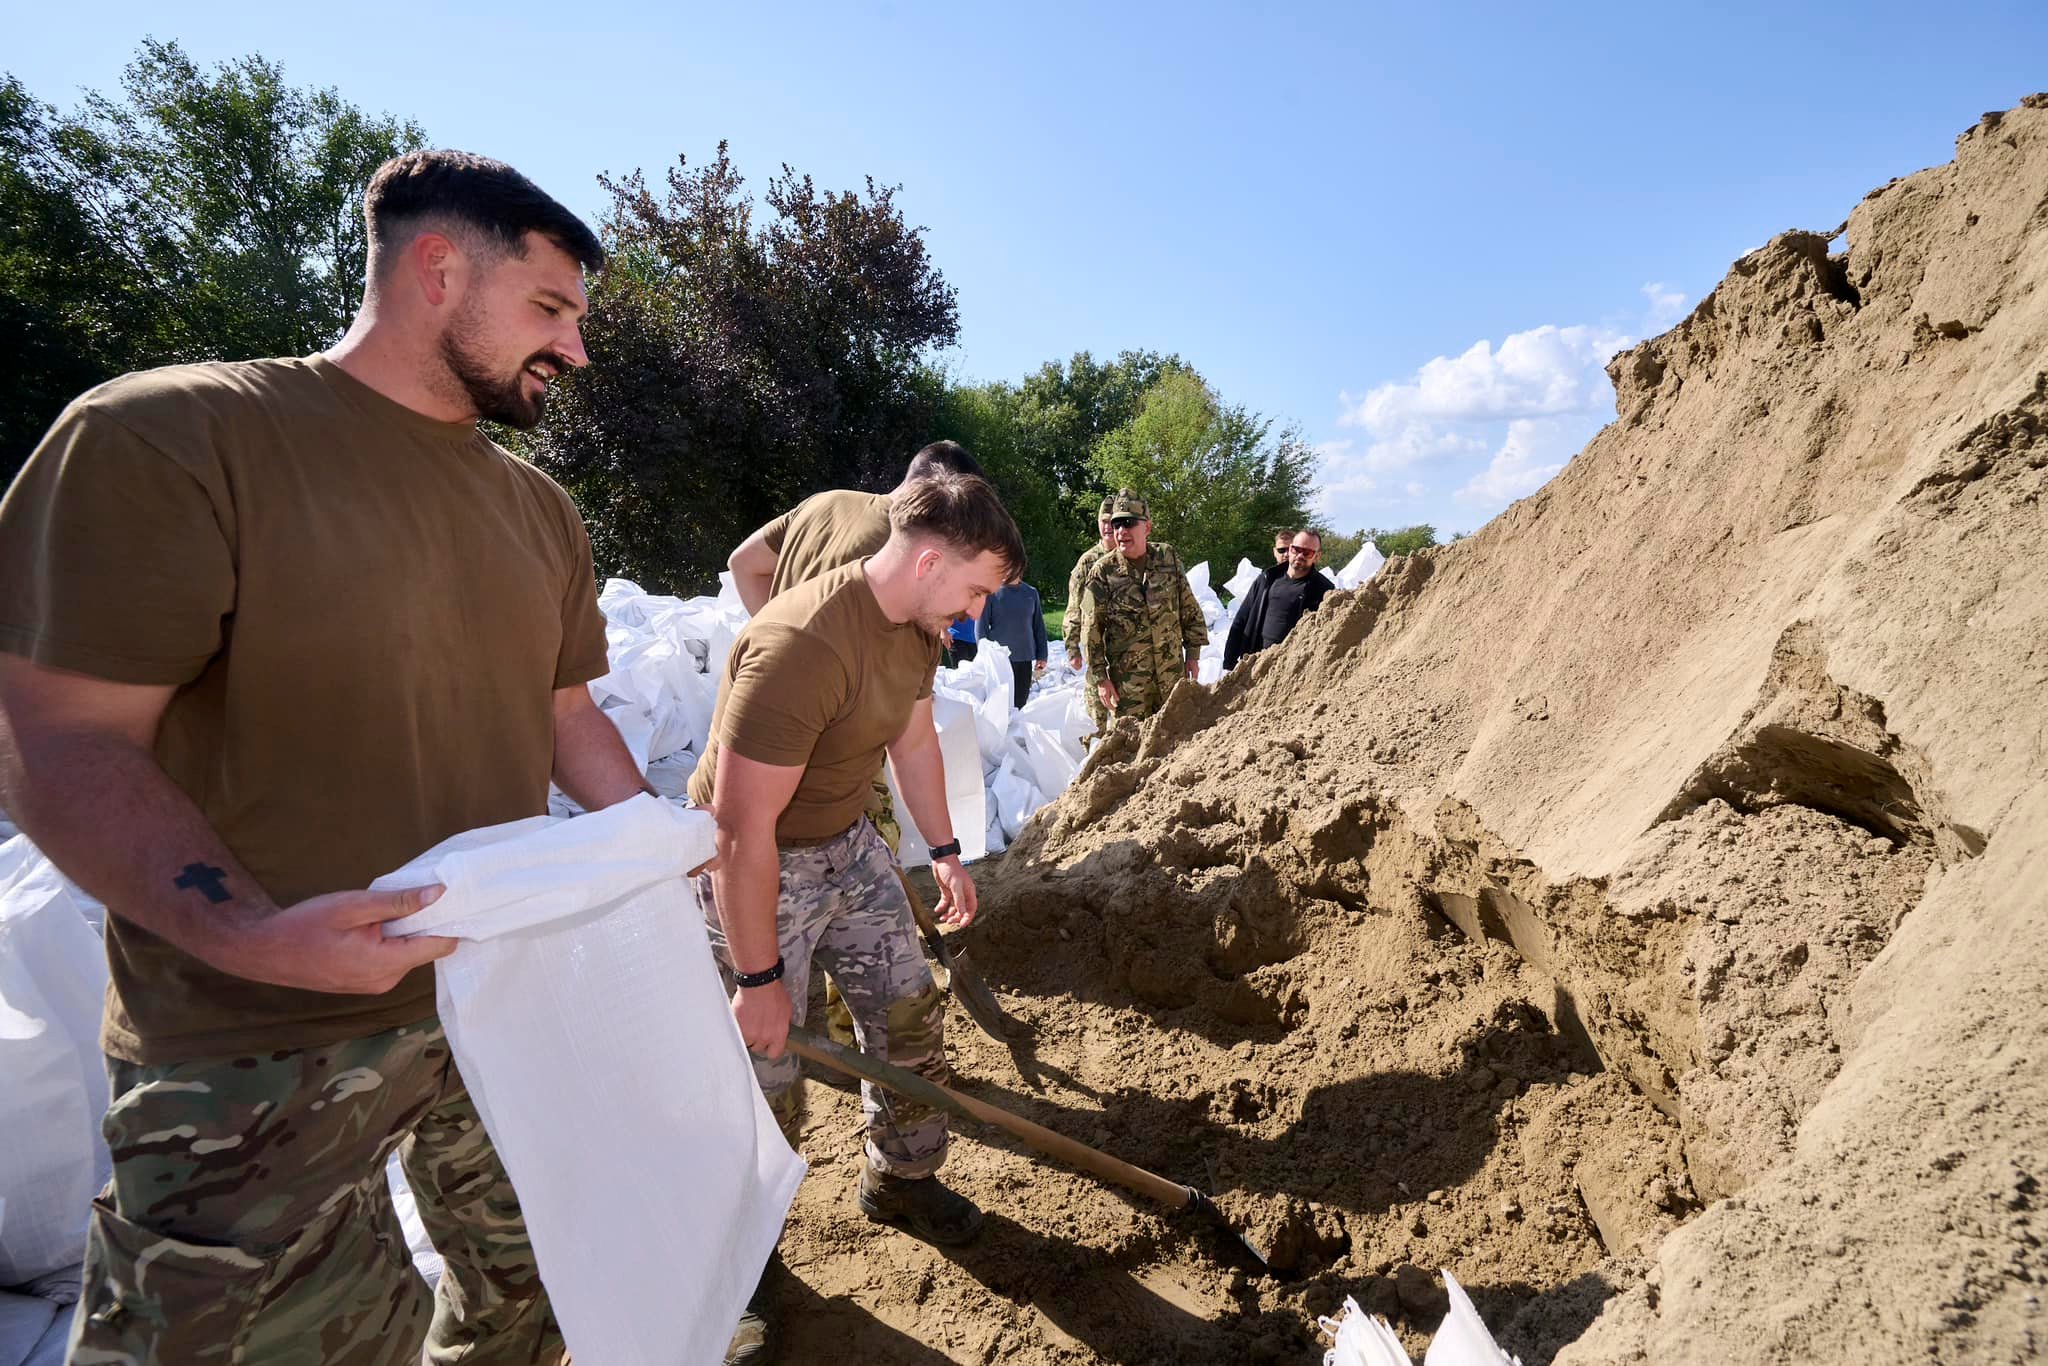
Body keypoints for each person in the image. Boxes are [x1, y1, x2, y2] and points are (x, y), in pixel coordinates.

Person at [0, 150, 651, 1366]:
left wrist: (666, 845)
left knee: (533, 1286)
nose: (574, 349)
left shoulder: (538, 513)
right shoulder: (175, 437)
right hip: (251, 1048)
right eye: (550, 308)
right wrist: (250, 932)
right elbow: (54, 734)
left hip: (482, 1002)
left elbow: (564, 713)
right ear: (436, 268)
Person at [687, 473, 1023, 1357]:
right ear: (924, 561)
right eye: (976, 590)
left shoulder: (918, 628)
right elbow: (736, 829)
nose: (976, 614)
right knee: (764, 1076)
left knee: (909, 1011)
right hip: (761, 868)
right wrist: (759, 979)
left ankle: (903, 1181)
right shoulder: (800, 645)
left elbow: (912, 743)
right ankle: (744, 1266)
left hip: (848, 845)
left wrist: (944, 852)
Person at [725, 440, 986, 614]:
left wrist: (773, 636)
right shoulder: (908, 549)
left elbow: (743, 563)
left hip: (768, 681)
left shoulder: (823, 502)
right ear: (941, 491)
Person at [1078, 490, 1207, 729]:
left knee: (1175, 737)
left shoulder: (1167, 558)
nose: (1121, 531)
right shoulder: (1101, 572)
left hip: (1171, 678)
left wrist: (1193, 655)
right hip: (1129, 688)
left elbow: (1188, 607)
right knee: (1131, 745)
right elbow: (1090, 630)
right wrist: (1100, 679)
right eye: (1116, 524)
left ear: (1147, 527)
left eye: (1128, 523)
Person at [1223, 528, 1337, 670]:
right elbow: (1241, 619)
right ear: (1290, 549)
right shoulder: (1267, 579)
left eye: (1307, 552)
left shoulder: (1324, 590)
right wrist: (1229, 662)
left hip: (1290, 672)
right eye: (1296, 549)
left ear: (1317, 556)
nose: (1300, 555)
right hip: (1254, 665)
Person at [1063, 495, 1118, 672]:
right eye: (1104, 521)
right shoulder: (1087, 562)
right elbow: (1074, 606)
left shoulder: (1130, 556)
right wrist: (1072, 649)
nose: (1108, 526)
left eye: (1112, 521)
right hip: (1097, 648)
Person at [980, 580, 1049, 708]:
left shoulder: (1031, 593)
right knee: (999, 705)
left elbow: (1038, 626)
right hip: (999, 661)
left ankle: (1017, 728)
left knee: (1020, 704)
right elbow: (981, 627)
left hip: (1024, 657)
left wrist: (1042, 655)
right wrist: (983, 655)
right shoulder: (991, 592)